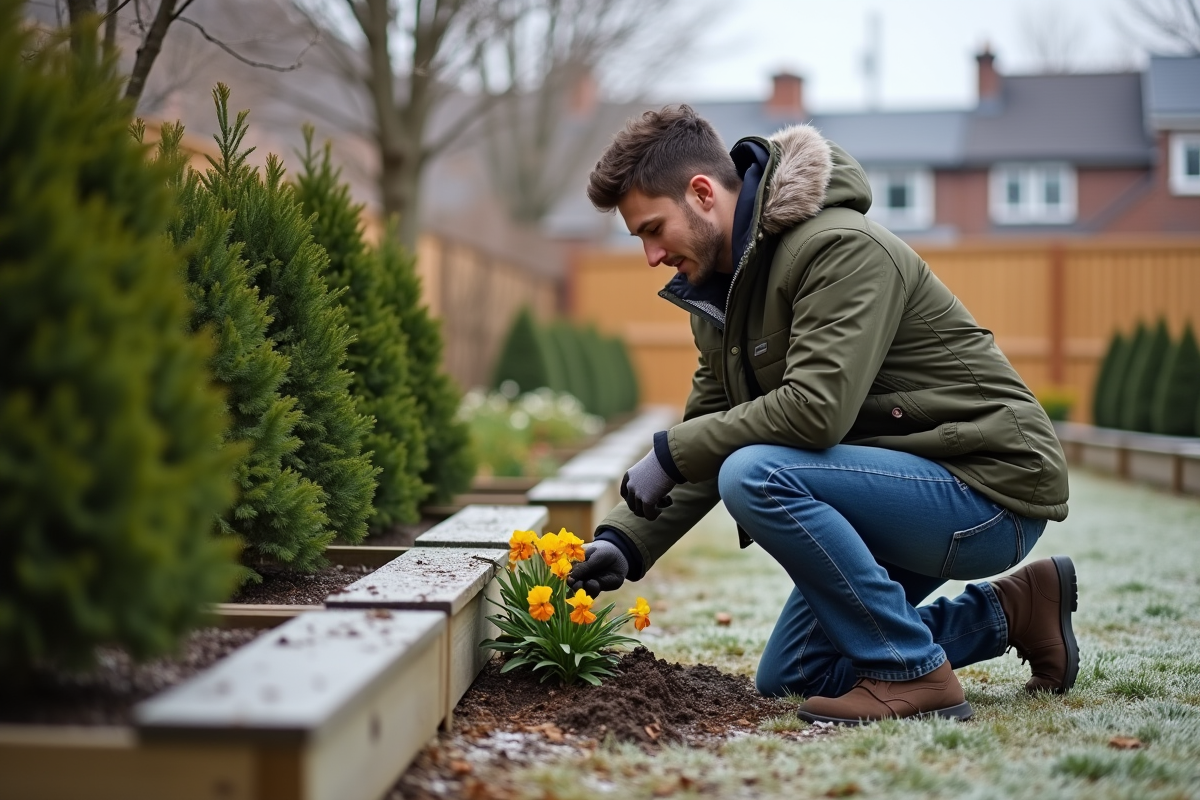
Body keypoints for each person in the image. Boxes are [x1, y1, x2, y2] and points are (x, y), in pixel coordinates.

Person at [566, 105, 1077, 726]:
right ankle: (1013, 611)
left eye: (653, 229)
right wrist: (624, 539)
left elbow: (814, 414)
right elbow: (707, 435)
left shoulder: (838, 249)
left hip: (988, 490)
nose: (650, 255)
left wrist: (672, 450)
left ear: (702, 193)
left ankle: (912, 675)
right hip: (900, 489)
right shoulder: (720, 297)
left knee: (755, 474)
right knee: (794, 676)